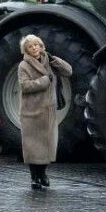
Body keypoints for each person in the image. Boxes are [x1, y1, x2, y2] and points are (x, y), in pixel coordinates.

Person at [17, 33, 70, 189]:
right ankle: (34, 176)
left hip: (48, 112)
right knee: (33, 148)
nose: (34, 48)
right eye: (30, 46)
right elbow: (25, 86)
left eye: (36, 45)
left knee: (47, 147)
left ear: (41, 46)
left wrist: (56, 61)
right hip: (31, 112)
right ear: (26, 50)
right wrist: (45, 81)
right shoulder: (24, 65)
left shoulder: (49, 61)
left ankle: (43, 174)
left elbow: (69, 71)